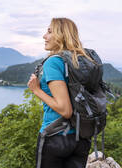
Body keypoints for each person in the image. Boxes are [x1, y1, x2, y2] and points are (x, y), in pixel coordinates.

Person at [27, 18, 92, 168]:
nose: (44, 36)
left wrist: (36, 90)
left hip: (56, 136)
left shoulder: (54, 62)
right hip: (81, 137)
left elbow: (65, 110)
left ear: (62, 35)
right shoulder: (81, 60)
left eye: (49, 31)